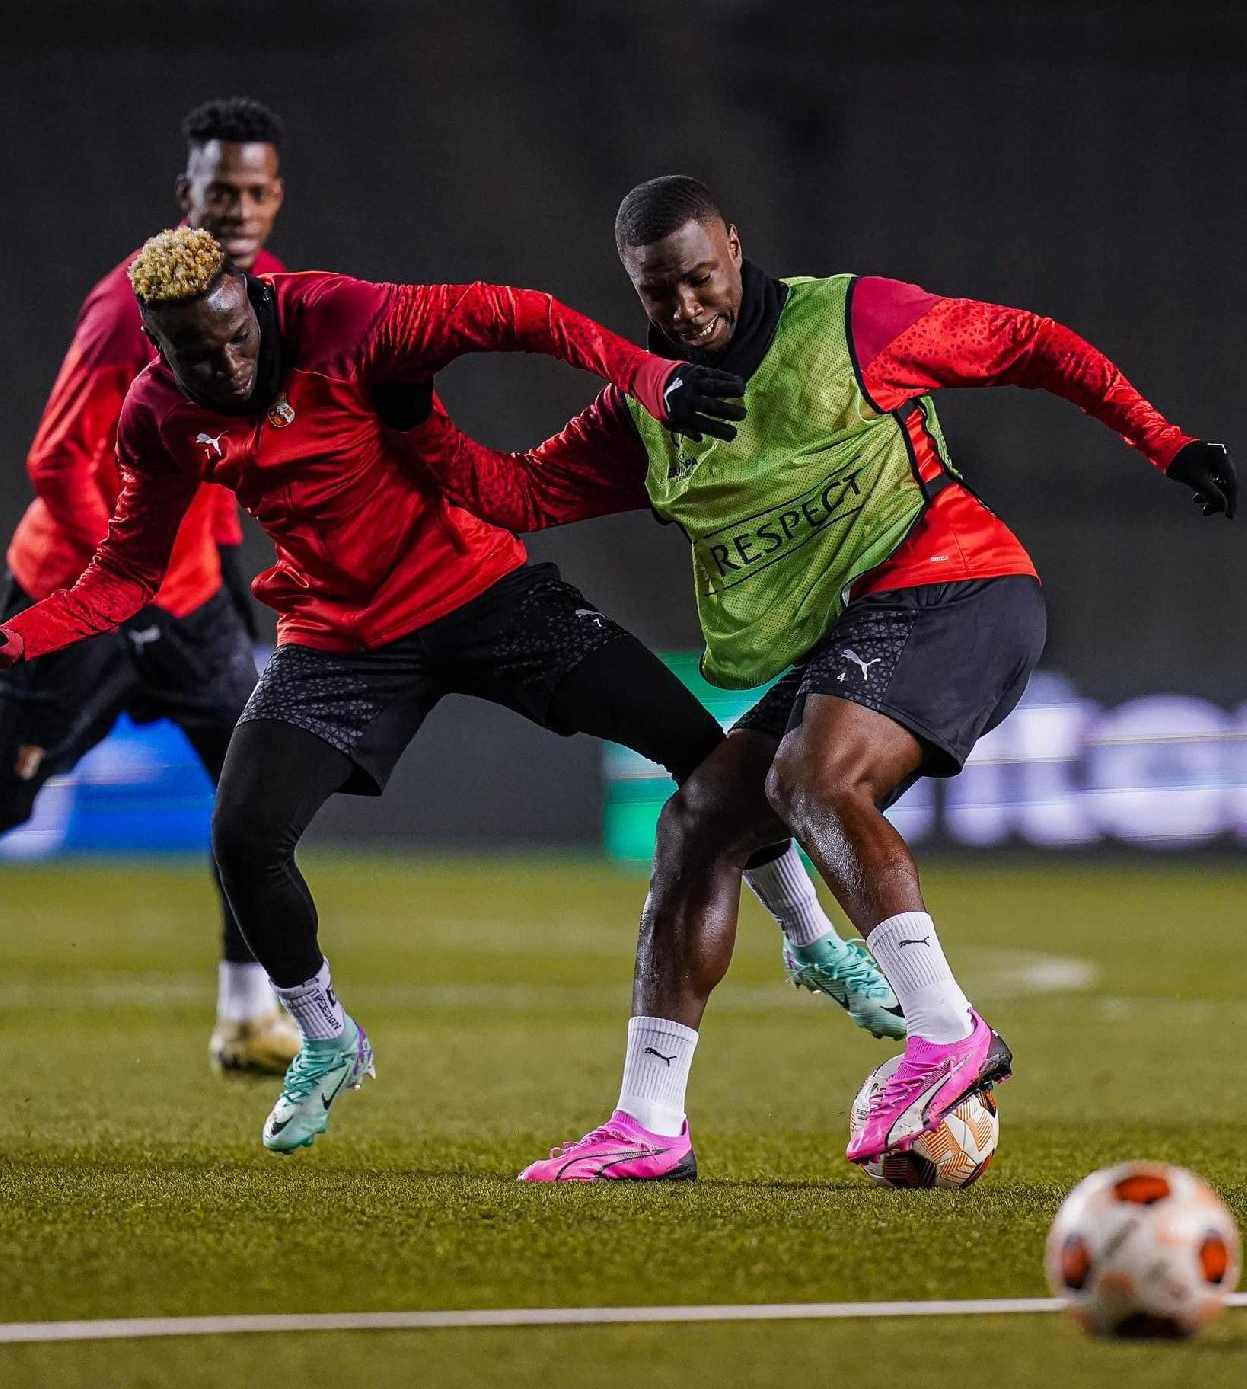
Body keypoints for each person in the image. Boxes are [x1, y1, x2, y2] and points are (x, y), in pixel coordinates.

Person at [0, 224, 892, 1162]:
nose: (226, 365)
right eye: (196, 354)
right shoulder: (155, 416)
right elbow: (124, 573)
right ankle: (327, 1038)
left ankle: (811, 943)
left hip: (480, 592)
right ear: (154, 346)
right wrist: (15, 637)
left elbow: (520, 314)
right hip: (340, 638)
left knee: (700, 752)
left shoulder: (346, 317)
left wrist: (648, 376)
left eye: (236, 337)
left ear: (254, 301)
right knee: (243, 836)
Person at [406, 174, 1237, 1181]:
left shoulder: (856, 321)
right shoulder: (647, 404)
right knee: (698, 820)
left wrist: (1163, 442)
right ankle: (647, 1125)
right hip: (851, 632)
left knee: (811, 777)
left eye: (699, 278)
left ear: (734, 246)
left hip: (959, 587)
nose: (683, 308)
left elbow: (1030, 343)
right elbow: (519, 493)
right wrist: (409, 414)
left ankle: (947, 1035)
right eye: (657, 292)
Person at [0, 97, 301, 1076]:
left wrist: (227, 575)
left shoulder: (272, 294)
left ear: (275, 197)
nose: (239, 208)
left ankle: (246, 1017)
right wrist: (121, 583)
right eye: (222, 191)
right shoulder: (121, 306)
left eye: (254, 191)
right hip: (74, 594)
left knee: (255, 795)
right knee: (7, 797)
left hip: (190, 597)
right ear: (187, 194)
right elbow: (55, 459)